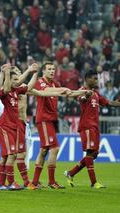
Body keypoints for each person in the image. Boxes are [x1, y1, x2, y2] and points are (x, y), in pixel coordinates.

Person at [64, 70, 120, 188]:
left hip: (95, 126)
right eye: (94, 78)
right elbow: (82, 99)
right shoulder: (81, 91)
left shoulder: (96, 93)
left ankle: (71, 173)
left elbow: (109, 103)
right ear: (87, 79)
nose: (96, 80)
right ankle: (94, 183)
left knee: (94, 154)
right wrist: (85, 96)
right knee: (89, 153)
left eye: (97, 78)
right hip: (87, 126)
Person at [28, 61, 88, 190]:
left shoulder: (56, 84)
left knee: (44, 151)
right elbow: (48, 91)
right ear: (43, 71)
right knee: (54, 148)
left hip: (51, 120)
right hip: (43, 119)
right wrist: (63, 90)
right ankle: (51, 181)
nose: (51, 71)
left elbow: (68, 93)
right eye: (49, 69)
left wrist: (83, 92)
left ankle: (34, 182)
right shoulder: (40, 82)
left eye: (53, 69)